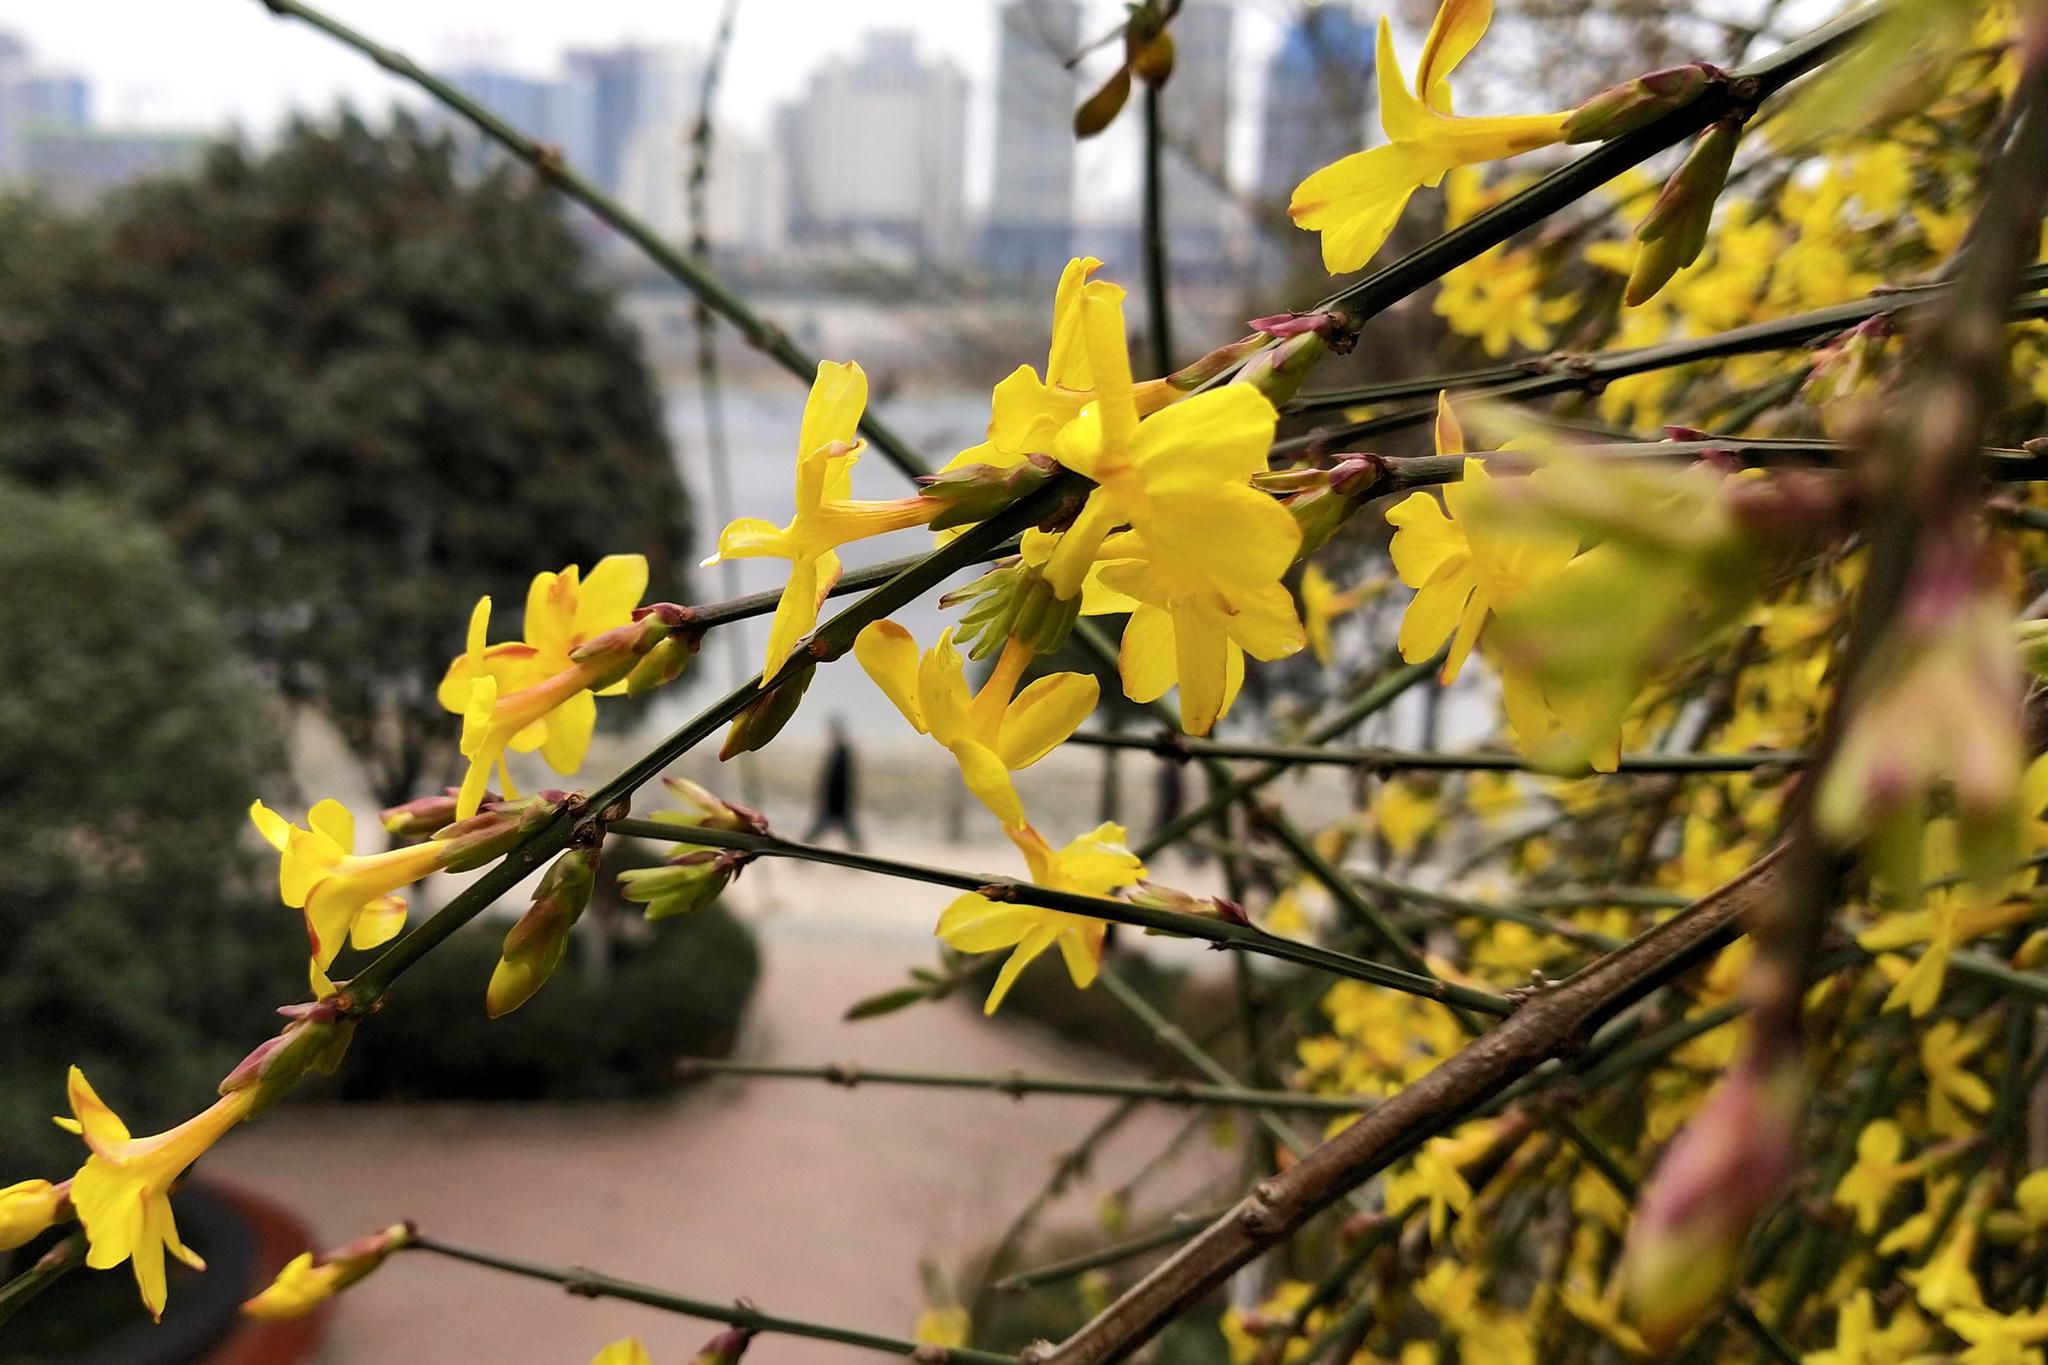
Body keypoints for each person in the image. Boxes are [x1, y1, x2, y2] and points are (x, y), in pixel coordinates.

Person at [806, 716, 864, 848]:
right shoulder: (839, 750)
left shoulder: (841, 751)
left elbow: (841, 779)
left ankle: (800, 853)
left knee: (821, 828)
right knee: (824, 829)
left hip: (837, 802)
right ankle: (858, 853)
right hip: (836, 802)